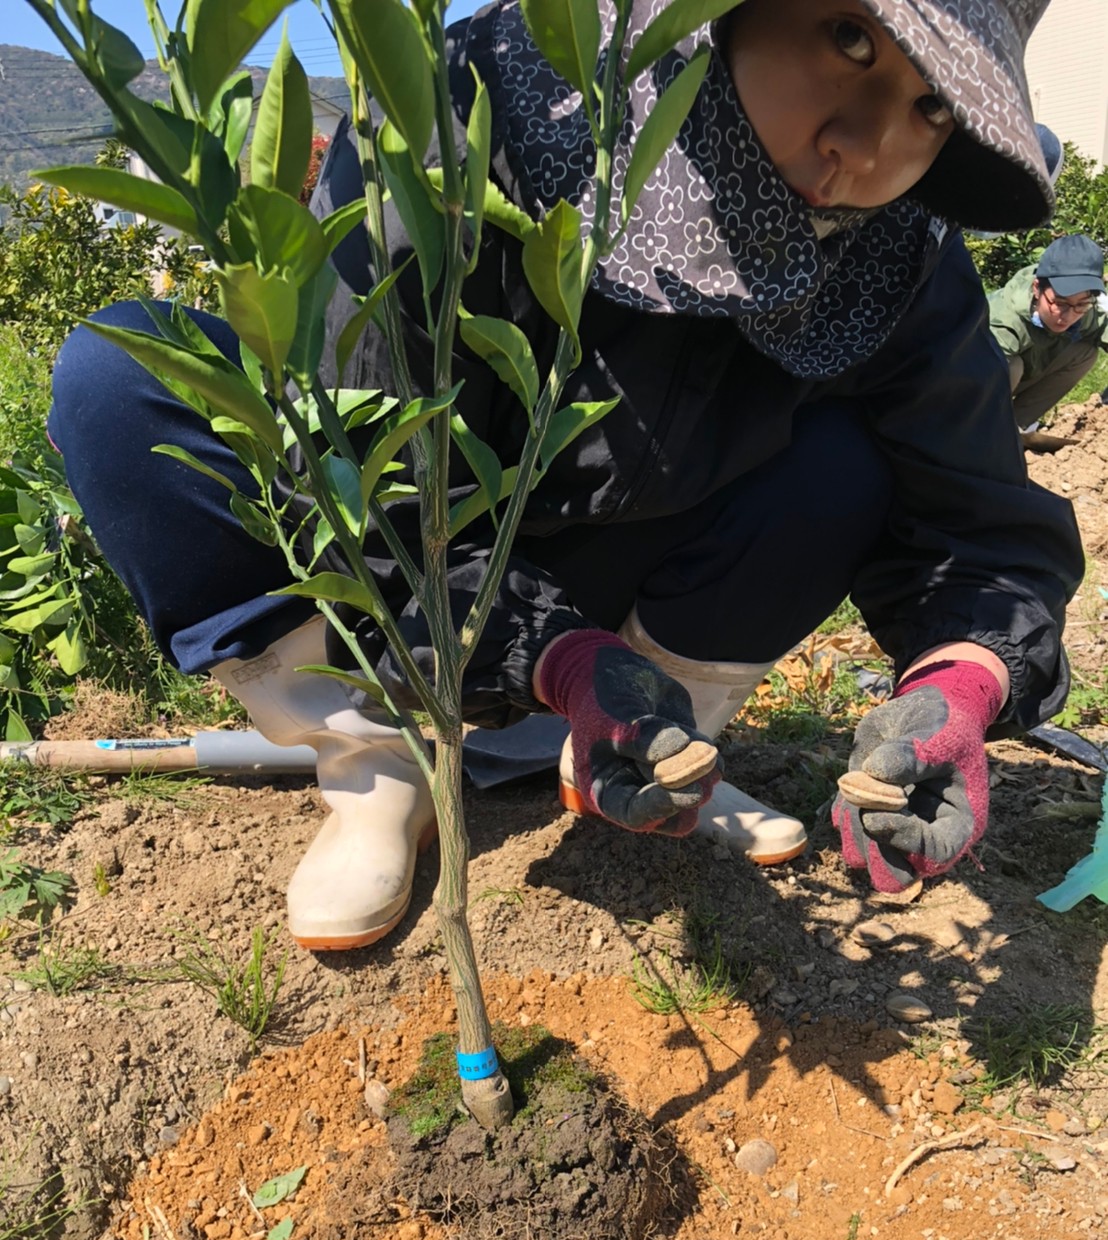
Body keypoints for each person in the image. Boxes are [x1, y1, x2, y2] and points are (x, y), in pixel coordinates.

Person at [48, 0, 1084, 950]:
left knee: (842, 465)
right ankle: (379, 763)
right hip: (410, 590)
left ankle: (665, 742)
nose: (863, 145)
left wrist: (961, 683)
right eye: (848, 39)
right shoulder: (491, 110)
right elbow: (367, 472)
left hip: (634, 579)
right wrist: (558, 660)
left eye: (932, 105)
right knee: (124, 378)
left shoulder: (896, 254)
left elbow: (975, 514)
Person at [989, 233, 1108, 429]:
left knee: (1085, 353)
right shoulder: (1002, 322)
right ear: (1037, 288)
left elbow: (1103, 327)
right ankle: (984, 428)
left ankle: (1014, 427)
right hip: (963, 386)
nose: (1068, 315)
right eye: (1060, 303)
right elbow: (966, 382)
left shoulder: (1082, 310)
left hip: (1025, 371)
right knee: (1011, 365)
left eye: (1081, 305)